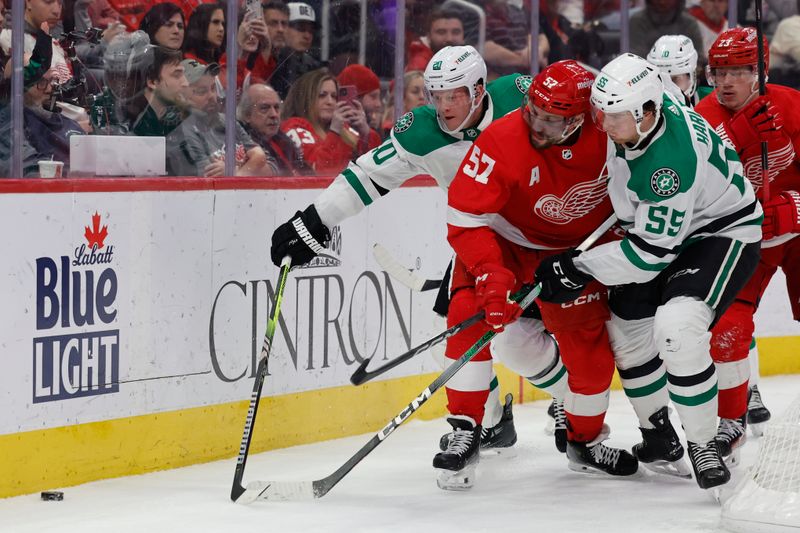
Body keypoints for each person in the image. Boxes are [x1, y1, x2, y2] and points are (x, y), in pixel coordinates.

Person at [270, 46, 571, 490]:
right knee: (455, 338)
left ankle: (573, 400)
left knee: (525, 343)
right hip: (485, 242)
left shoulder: (519, 100)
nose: (444, 107)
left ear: (479, 89)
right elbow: (370, 176)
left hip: (553, 234)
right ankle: (484, 423)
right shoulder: (422, 131)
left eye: (454, 95)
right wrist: (315, 220)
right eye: (436, 95)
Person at [535, 53, 763, 491]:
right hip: (662, 226)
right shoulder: (651, 99)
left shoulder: (668, 165)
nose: (602, 124)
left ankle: (702, 443)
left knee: (677, 328)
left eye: (615, 117)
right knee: (627, 332)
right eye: (601, 112)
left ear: (646, 112)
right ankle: (658, 434)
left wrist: (576, 267)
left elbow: (647, 257)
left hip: (720, 232)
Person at [444, 60, 638, 482]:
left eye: (552, 120)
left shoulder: (615, 134)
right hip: (508, 242)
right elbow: (465, 218)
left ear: (586, 116)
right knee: (466, 318)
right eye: (533, 111)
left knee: (589, 353)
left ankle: (584, 442)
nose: (537, 125)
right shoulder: (501, 138)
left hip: (578, 252)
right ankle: (465, 429)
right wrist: (491, 274)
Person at [695, 27, 800, 447]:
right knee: (726, 329)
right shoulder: (702, 119)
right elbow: (694, 193)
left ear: (762, 72)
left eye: (739, 70)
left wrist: (795, 205)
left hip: (794, 232)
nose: (725, 82)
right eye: (719, 71)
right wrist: (737, 136)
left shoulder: (791, 105)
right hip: (740, 238)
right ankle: (730, 421)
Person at [168, 58, 272, 177]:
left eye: (213, 88)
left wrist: (234, 172)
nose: (212, 96)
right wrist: (248, 167)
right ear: (181, 97)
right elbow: (210, 178)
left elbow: (268, 163)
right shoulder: (183, 133)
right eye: (202, 91)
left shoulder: (226, 120)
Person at [280, 68, 378, 175]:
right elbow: (320, 172)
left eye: (334, 96)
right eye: (322, 95)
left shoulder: (343, 129)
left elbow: (377, 167)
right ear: (305, 98)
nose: (330, 102)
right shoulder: (294, 127)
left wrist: (366, 133)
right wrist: (335, 131)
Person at [238, 83, 312, 175]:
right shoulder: (242, 147)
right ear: (247, 115)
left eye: (276, 108)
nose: (274, 114)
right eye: (264, 108)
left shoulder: (283, 141)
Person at [131, 46, 187, 137]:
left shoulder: (175, 119)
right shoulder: (130, 124)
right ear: (152, 82)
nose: (186, 83)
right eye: (177, 75)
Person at [628, 0, 704, 62]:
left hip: (683, 75)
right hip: (648, 76)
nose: (662, 2)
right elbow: (637, 59)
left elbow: (698, 59)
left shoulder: (689, 23)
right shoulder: (637, 21)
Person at [647, 34, 709, 107]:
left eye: (674, 80)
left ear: (692, 76)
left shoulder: (710, 102)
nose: (667, 88)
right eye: (660, 80)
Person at [406, 8, 465, 73]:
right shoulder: (420, 64)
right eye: (441, 32)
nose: (449, 38)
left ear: (463, 35)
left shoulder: (471, 58)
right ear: (429, 36)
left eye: (456, 32)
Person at [336, 64, 384, 138]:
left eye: (379, 97)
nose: (378, 104)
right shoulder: (333, 130)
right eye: (373, 97)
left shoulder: (373, 129)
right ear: (354, 98)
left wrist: (370, 132)